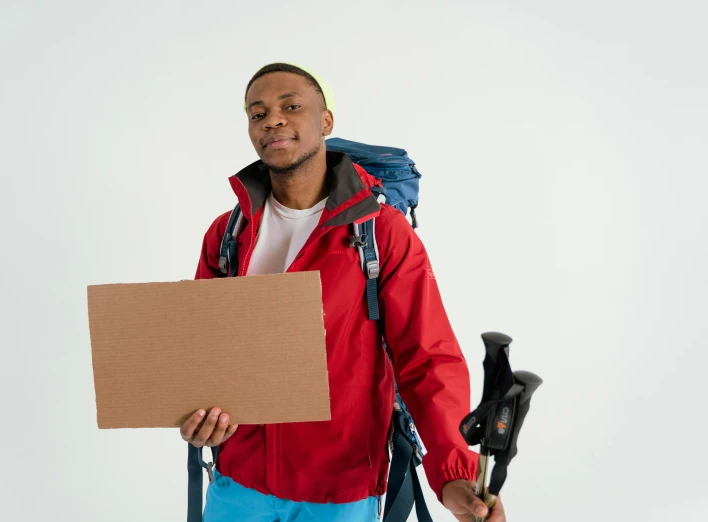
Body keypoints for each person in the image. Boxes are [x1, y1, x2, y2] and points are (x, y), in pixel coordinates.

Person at [180, 63, 508, 522]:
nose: (272, 120)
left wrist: (453, 471)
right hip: (238, 482)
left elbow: (426, 357)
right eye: (257, 113)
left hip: (340, 492)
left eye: (291, 106)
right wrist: (199, 416)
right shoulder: (228, 232)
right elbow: (204, 350)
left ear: (326, 121)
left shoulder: (379, 232)